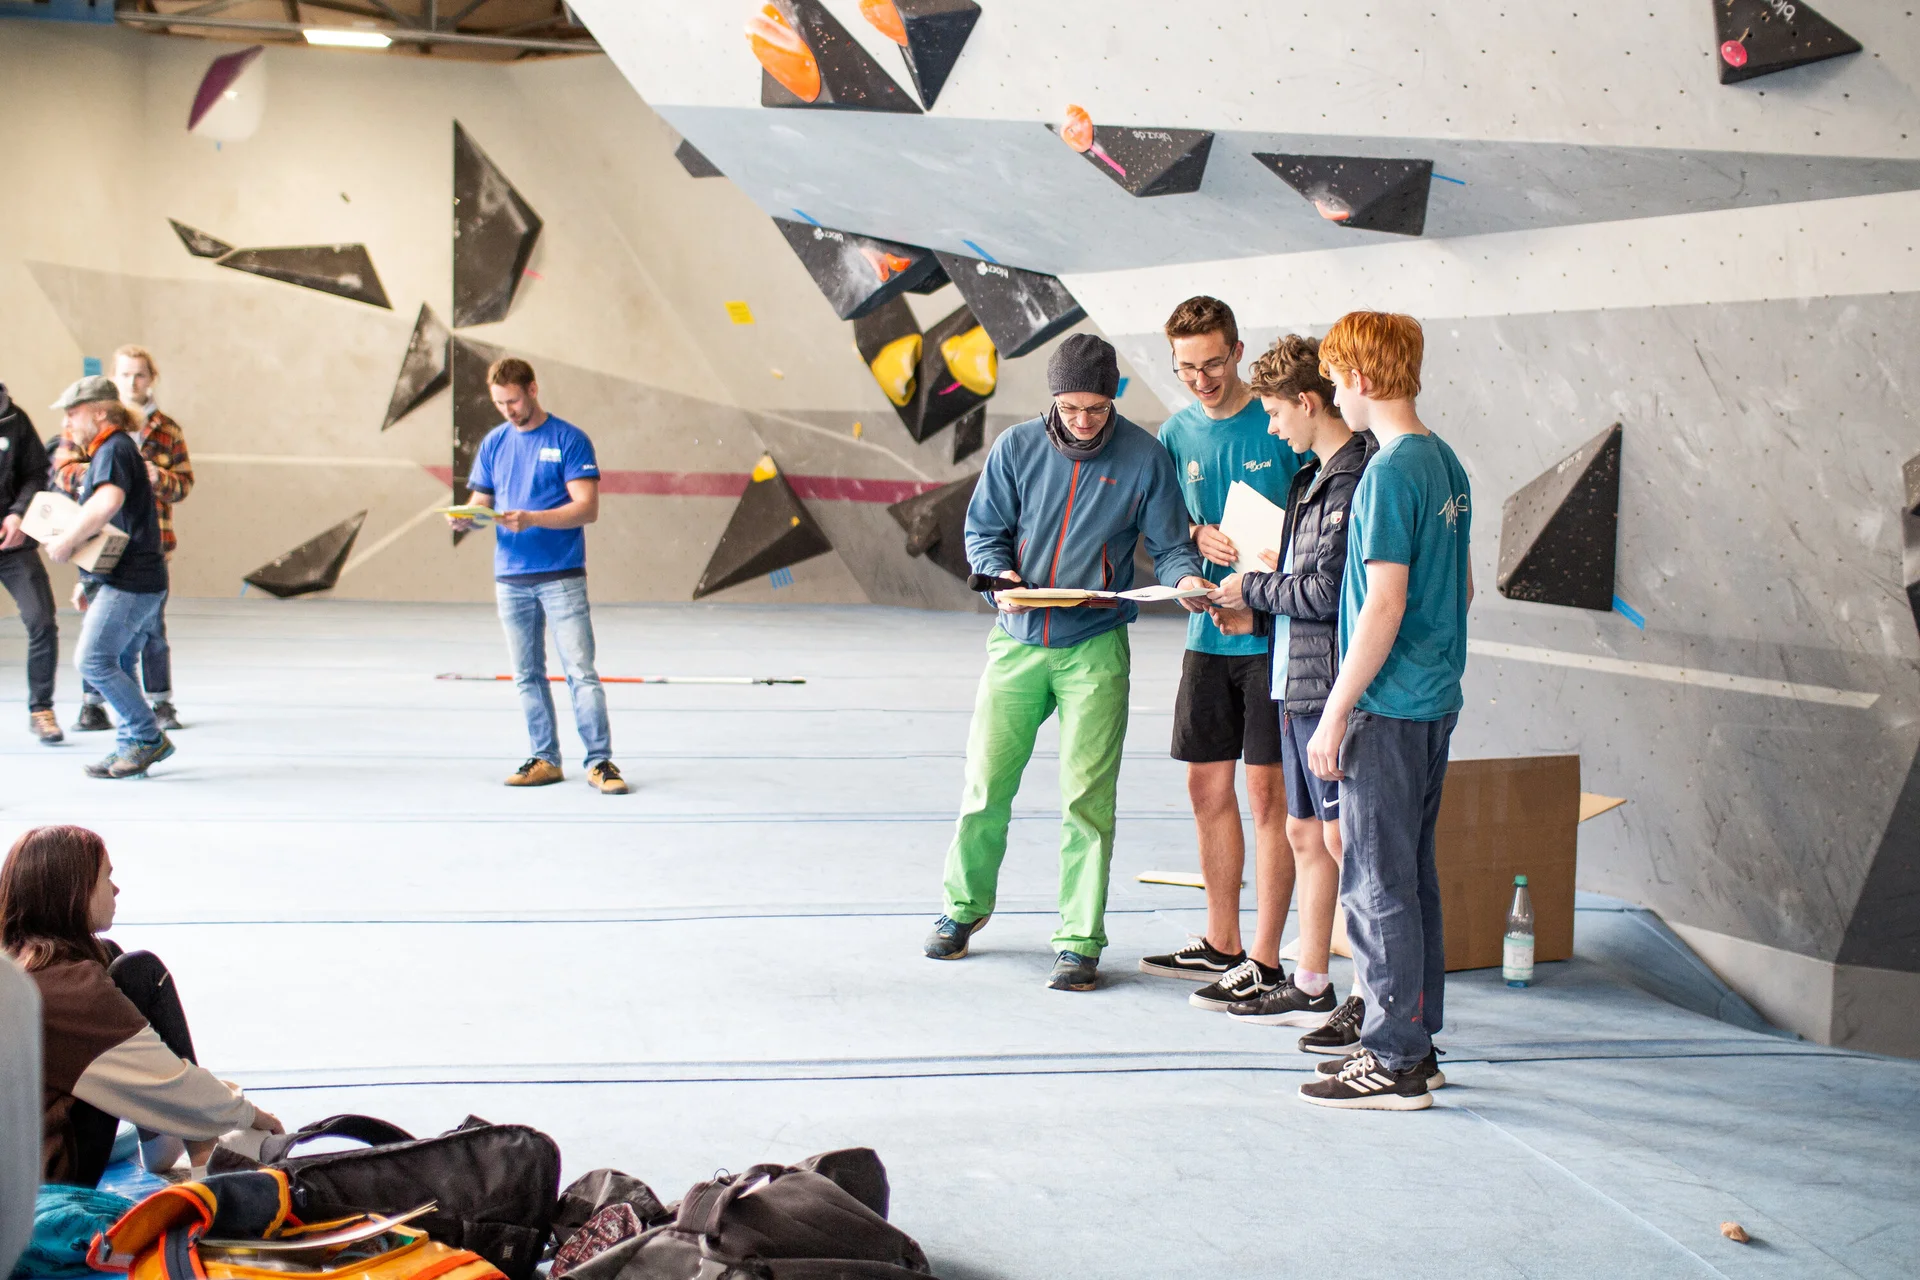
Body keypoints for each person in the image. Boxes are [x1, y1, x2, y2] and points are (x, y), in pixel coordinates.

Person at [924, 333, 1211, 992]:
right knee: (984, 788)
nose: (1083, 420)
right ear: (1053, 398)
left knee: (1087, 802)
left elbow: (1169, 547)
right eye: (1071, 407)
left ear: (1114, 399)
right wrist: (997, 573)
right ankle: (962, 910)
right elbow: (982, 531)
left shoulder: (1144, 458)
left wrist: (1187, 581)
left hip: (1095, 648)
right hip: (1017, 642)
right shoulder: (1016, 448)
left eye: (1096, 408)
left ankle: (1079, 941)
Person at [1293, 312, 1472, 1112]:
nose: (1335, 392)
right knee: (1412, 880)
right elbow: (1460, 591)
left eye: (1335, 379)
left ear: (1360, 379)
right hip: (1432, 702)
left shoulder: (1389, 473)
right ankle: (1416, 1047)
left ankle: (1395, 1058)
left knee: (1377, 885)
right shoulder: (1446, 462)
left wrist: (1335, 712)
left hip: (1386, 707)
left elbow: (1382, 604)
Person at [1206, 335, 1374, 1032]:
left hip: (1329, 686)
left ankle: (1370, 992)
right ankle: (1312, 981)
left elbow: (1332, 592)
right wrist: (1273, 578)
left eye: (1276, 412)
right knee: (1307, 832)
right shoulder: (1310, 479)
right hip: (1293, 681)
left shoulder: (1355, 478)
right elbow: (1305, 579)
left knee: (1347, 843)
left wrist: (1255, 584)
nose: (1271, 426)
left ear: (1309, 402)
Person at [1138, 298, 1301, 1012]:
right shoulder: (1175, 433)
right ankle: (1222, 942)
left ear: (1237, 351)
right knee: (1207, 791)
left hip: (1275, 637)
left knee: (1268, 797)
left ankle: (1266, 959)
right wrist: (1193, 545)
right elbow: (1170, 534)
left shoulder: (1277, 421)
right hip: (1208, 637)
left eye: (1210, 363)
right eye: (1184, 368)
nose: (1200, 379)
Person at [1, 824, 284, 1185]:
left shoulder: (20, 965)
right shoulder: (72, 991)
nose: (116, 889)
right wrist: (249, 1114)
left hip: (19, 1164)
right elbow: (171, 1084)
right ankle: (203, 1150)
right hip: (41, 1185)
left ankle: (167, 1139)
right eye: (107, 877)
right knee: (140, 970)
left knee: (117, 963)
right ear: (74, 892)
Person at [448, 357, 628, 794]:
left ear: (533, 389)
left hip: (561, 575)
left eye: (512, 400)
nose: (507, 410)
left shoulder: (569, 439)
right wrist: (466, 519)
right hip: (510, 577)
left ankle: (601, 762)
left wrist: (533, 519)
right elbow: (481, 499)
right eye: (498, 403)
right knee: (526, 674)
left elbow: (587, 508)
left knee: (580, 671)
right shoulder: (494, 442)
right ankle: (544, 758)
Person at [55, 347, 193, 735]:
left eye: (140, 375)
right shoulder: (102, 445)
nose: (133, 382)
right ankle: (125, 729)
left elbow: (111, 499)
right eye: (125, 375)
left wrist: (65, 541)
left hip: (137, 558)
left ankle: (147, 728)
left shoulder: (127, 443)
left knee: (105, 654)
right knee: (113, 651)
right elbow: (65, 474)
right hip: (105, 555)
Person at [42, 379, 174, 780]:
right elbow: (119, 525)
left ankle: (147, 738)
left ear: (99, 411)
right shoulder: (112, 450)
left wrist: (67, 539)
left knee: (94, 661)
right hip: (132, 577)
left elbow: (107, 503)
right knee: (119, 660)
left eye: (73, 412)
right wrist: (89, 581)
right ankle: (130, 744)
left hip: (132, 581)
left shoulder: (114, 448)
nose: (67, 422)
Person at [0, 381, 61, 743]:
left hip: (14, 545)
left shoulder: (15, 419)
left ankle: (41, 710)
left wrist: (19, 513)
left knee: (42, 621)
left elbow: (37, 474)